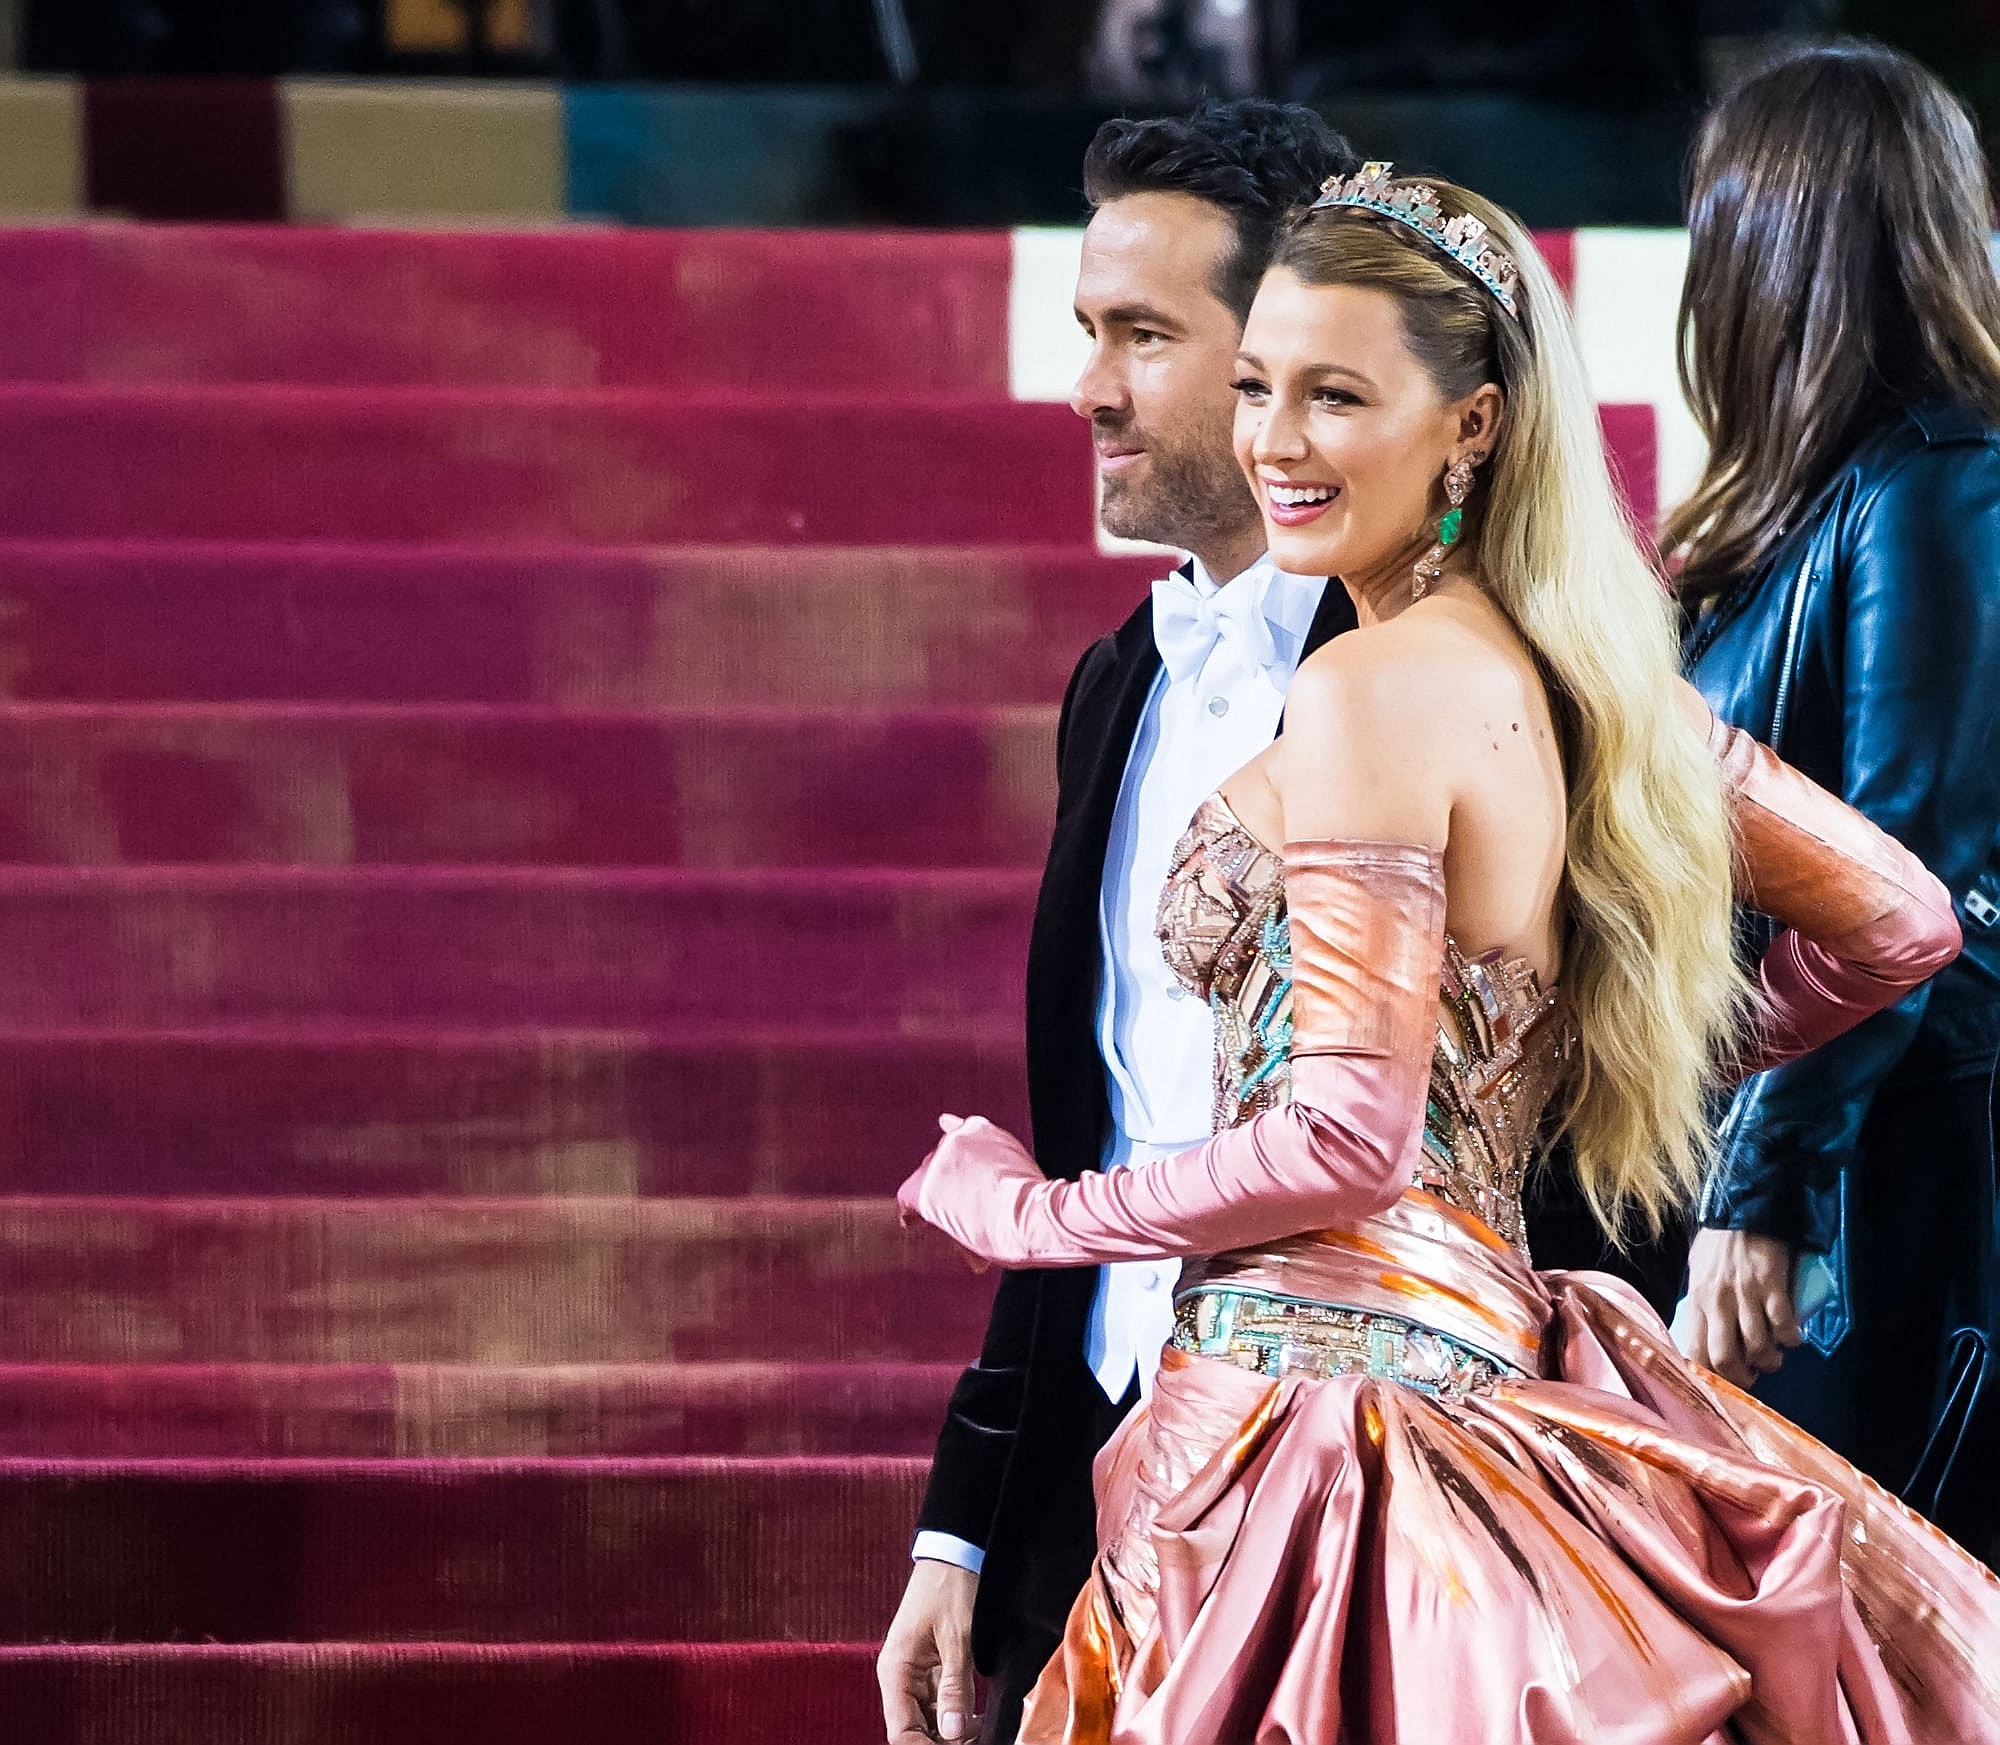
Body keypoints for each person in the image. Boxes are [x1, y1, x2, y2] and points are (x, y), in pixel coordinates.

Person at [900, 162, 2000, 1741]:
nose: (1276, 440)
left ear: (1471, 424)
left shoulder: (1369, 690)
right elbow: (1900, 923)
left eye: (1336, 395)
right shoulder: (1597, 686)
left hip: (1328, 1444)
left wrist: (1034, 1210)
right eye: (1261, 386)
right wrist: (1629, 1037)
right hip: (1466, 1378)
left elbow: (1345, 1138)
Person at [875, 101, 1361, 1745]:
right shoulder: (1119, 683)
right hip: (1089, 1500)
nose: (1087, 388)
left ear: (1291, 354)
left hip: (1364, 1503)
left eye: (1143, 337)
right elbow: (1093, 1130)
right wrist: (965, 1516)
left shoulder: (1457, 679)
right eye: (1091, 331)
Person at [1666, 43, 2000, 1563]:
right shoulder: (1814, 502)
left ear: (1771, 244)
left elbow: (1908, 867)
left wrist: (1769, 1182)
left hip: (1899, 1182)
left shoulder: (1942, 477)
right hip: (1829, 1152)